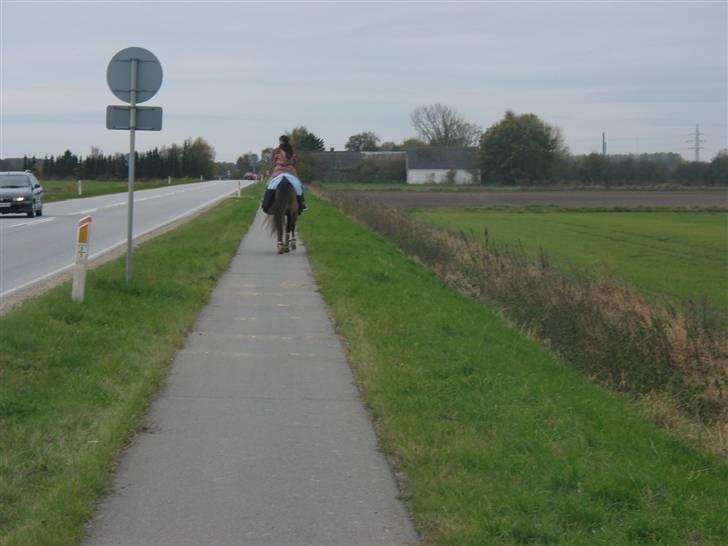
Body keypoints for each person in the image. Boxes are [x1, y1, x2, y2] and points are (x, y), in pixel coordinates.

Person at [262, 135, 307, 214]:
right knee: (299, 186)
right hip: (291, 171)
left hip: (279, 170)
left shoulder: (277, 151)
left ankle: (266, 204)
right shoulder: (292, 151)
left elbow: (273, 161)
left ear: (281, 141)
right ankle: (302, 203)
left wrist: (276, 166)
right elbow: (295, 162)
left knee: (268, 185)